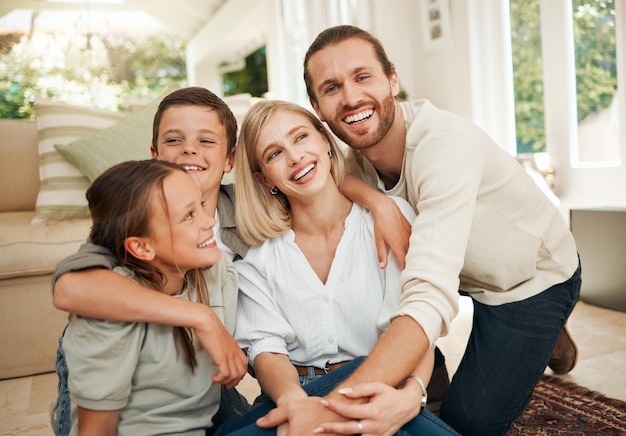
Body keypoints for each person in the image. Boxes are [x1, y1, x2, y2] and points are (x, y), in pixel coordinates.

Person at [256, 25, 582, 436]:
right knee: (419, 301)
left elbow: (429, 292)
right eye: (332, 87)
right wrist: (379, 200)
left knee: (470, 422)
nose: (352, 97)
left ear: (392, 79)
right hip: (453, 267)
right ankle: (437, 364)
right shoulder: (344, 152)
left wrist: (332, 412)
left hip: (529, 278)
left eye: (362, 77)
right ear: (317, 106)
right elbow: (321, 172)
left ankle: (551, 333)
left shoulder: (444, 146)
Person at [50, 87, 414, 432]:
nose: (190, 151)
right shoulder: (136, 219)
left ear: (230, 160)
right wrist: (202, 318)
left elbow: (309, 183)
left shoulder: (247, 207)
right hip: (121, 365)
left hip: (202, 375)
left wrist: (378, 201)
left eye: (205, 141)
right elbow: (70, 289)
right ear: (154, 154)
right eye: (174, 140)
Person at [213, 100, 457, 436]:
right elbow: (266, 350)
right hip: (293, 394)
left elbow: (416, 322)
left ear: (325, 142)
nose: (295, 156)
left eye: (300, 137)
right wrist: (295, 403)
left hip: (380, 384)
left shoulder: (390, 219)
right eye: (274, 154)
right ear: (262, 177)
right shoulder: (258, 257)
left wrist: (412, 392)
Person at [61, 159, 237, 434]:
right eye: (188, 216)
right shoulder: (111, 309)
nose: (209, 221)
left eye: (201, 205)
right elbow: (96, 431)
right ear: (141, 247)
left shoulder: (217, 271)